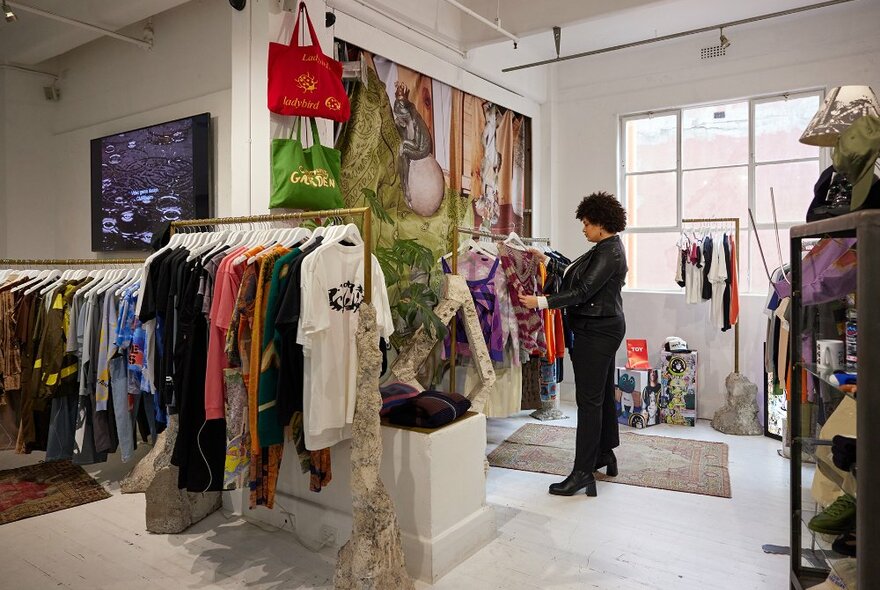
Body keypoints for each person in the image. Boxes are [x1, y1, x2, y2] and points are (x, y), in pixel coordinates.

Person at [519, 191, 628, 497]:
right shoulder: (604, 248)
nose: (583, 227)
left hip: (597, 332)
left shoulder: (609, 253)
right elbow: (574, 271)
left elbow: (582, 291)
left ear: (601, 223)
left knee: (589, 403)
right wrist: (548, 260)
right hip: (602, 328)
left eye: (587, 222)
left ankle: (582, 473)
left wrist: (541, 301)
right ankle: (604, 454)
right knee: (602, 396)